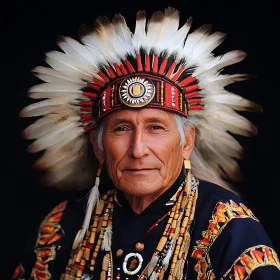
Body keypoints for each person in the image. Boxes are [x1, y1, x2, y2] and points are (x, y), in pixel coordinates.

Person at [10, 6, 280, 280]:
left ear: (186, 142)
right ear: (98, 146)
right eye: (121, 128)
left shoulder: (229, 230)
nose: (138, 149)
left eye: (156, 127)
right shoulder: (60, 229)